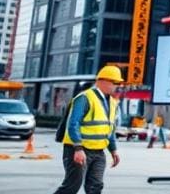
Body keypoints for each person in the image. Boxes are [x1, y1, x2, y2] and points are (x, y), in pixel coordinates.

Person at [52, 65, 123, 194]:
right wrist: (78, 148)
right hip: (79, 149)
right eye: (115, 82)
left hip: (98, 152)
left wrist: (113, 150)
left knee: (95, 186)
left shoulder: (113, 103)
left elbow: (109, 129)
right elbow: (73, 124)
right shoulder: (85, 98)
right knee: (71, 186)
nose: (117, 86)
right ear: (102, 81)